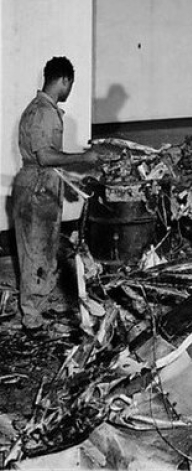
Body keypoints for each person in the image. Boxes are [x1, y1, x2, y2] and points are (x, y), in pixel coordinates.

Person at [13, 57, 102, 333]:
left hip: (42, 184)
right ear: (64, 80)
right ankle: (31, 318)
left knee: (44, 249)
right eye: (70, 84)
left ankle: (39, 306)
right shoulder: (43, 112)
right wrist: (83, 157)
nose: (69, 90)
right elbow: (44, 156)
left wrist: (70, 183)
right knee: (35, 253)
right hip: (37, 188)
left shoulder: (40, 108)